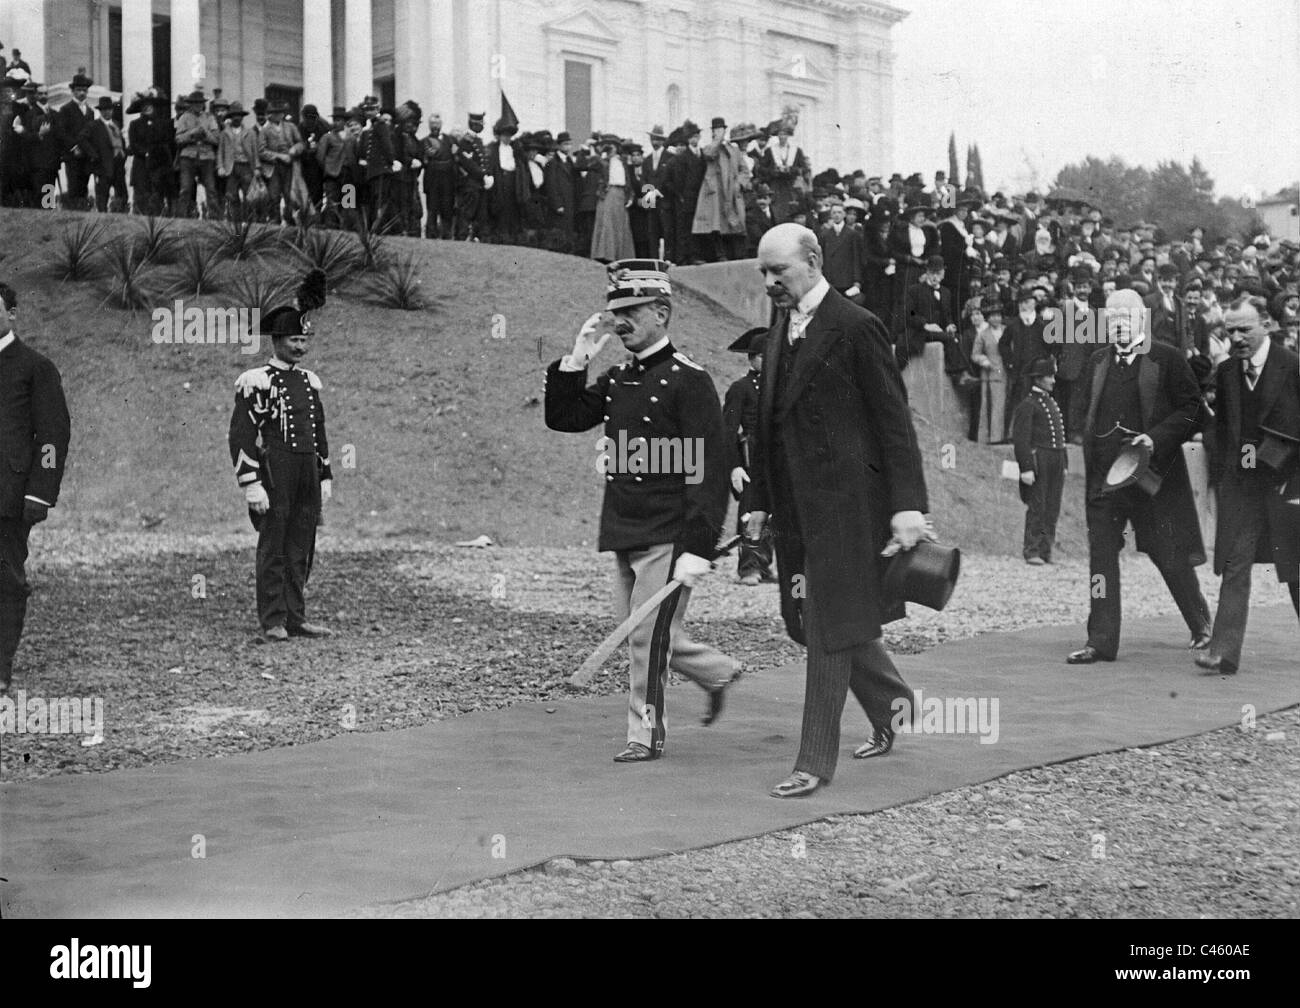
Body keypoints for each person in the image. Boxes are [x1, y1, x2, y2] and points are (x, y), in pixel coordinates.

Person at [746, 224, 931, 799]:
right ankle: (896, 707)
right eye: (764, 273)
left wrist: (906, 507)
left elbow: (894, 424)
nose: (772, 281)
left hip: (850, 511)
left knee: (827, 630)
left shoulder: (857, 327)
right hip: (797, 514)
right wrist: (755, 505)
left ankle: (814, 762)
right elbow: (765, 429)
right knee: (808, 624)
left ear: (815, 261)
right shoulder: (779, 331)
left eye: (781, 270)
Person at [544, 259, 739, 761]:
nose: (621, 320)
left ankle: (644, 734)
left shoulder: (689, 380)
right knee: (643, 630)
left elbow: (706, 472)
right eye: (616, 311)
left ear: (662, 312)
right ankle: (717, 672)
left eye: (631, 309)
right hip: (625, 525)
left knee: (644, 639)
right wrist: (578, 356)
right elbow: (564, 418)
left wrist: (699, 547)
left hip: (669, 532)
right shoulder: (616, 378)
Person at [1067, 288, 1213, 664]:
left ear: (1141, 321)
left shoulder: (1167, 358)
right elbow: (1083, 409)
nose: (1117, 326)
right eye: (1111, 320)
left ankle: (1200, 624)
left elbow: (1193, 408)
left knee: (1169, 554)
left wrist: (1156, 437)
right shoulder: (1097, 361)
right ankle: (1100, 641)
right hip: (1105, 480)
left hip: (1153, 478)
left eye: (1125, 319)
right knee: (1100, 557)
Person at [1196, 296, 1300, 674]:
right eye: (1230, 331)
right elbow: (1223, 429)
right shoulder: (1225, 373)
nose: (1237, 337)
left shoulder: (1292, 366)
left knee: (1296, 571)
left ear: (1267, 325)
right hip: (1243, 487)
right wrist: (1225, 471)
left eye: (1244, 329)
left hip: (1286, 485)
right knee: (1235, 564)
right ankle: (1223, 652)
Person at [228, 270, 334, 642]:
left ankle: (296, 616)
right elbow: (241, 434)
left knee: (302, 544)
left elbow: (319, 432)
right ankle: (273, 618)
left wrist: (325, 475)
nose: (300, 347)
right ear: (277, 341)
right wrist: (251, 483)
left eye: (304, 340)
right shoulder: (258, 380)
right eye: (294, 340)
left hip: (306, 469)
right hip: (277, 470)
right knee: (274, 543)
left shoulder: (309, 381)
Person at [0, 282, 71, 692]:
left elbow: (51, 435)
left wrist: (39, 492)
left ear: (13, 313)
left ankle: (0, 667)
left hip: (7, 500)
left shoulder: (34, 367)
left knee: (5, 581)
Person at [722, 326, 775, 586]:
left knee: (775, 513)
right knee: (751, 511)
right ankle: (748, 567)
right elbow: (727, 431)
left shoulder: (780, 387)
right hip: (750, 457)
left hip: (776, 455)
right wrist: (734, 467)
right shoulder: (740, 388)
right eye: (764, 356)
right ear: (752, 358)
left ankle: (765, 565)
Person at [1012, 357, 1068, 564]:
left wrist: (1065, 463)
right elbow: (1021, 440)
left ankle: (1046, 550)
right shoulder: (1028, 405)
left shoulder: (1050, 402)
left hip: (1056, 458)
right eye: (1049, 376)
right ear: (1038, 379)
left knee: (1052, 506)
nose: (1053, 380)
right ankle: (1032, 550)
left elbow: (1060, 436)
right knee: (1038, 505)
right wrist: (1026, 467)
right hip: (1039, 459)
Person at [589, 134, 634, 263]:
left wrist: (630, 196)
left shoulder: (623, 161)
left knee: (621, 224)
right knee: (607, 223)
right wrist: (596, 150)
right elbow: (588, 163)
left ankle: (621, 256)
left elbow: (628, 181)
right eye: (608, 146)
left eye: (613, 146)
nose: (611, 148)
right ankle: (606, 255)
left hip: (621, 194)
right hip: (608, 193)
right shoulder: (603, 162)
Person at [175, 90, 220, 218]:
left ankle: (215, 218)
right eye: (194, 103)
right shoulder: (184, 118)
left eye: (200, 103)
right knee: (185, 189)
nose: (197, 105)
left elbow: (216, 139)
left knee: (211, 189)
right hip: (188, 157)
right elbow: (178, 139)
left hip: (206, 157)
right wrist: (192, 133)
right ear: (190, 104)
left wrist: (205, 133)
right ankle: (181, 217)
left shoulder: (210, 118)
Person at [54, 70, 96, 210]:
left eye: (84, 90)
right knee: (74, 185)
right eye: (78, 90)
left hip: (86, 155)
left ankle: (82, 212)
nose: (82, 93)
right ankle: (73, 212)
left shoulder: (90, 111)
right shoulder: (65, 109)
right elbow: (61, 133)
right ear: (73, 91)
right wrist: (73, 147)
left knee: (84, 185)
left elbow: (90, 134)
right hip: (72, 156)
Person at [258, 99, 303, 225]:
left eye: (280, 112)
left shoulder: (291, 127)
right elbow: (261, 151)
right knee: (274, 195)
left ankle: (290, 220)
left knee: (290, 194)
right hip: (273, 168)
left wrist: (294, 149)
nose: (278, 115)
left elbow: (300, 143)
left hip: (290, 166)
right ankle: (274, 220)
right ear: (269, 115)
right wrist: (279, 156)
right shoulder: (264, 130)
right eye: (274, 113)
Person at [970, 298, 1009, 443]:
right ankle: (994, 437)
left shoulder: (1007, 330)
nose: (996, 318)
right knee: (994, 405)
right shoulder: (983, 334)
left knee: (1006, 404)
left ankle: (1007, 435)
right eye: (992, 315)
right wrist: (983, 360)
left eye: (998, 315)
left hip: (1007, 371)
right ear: (988, 317)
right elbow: (975, 354)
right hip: (991, 373)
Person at [819, 196, 866, 304]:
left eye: (839, 212)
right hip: (830, 278)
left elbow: (856, 258)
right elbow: (822, 258)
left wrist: (857, 280)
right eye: (834, 212)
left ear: (844, 214)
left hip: (847, 278)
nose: (836, 215)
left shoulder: (852, 234)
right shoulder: (825, 235)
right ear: (830, 215)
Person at [85, 96, 127, 212]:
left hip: (118, 163)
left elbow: (121, 141)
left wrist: (125, 153)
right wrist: (93, 154)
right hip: (103, 164)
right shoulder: (94, 125)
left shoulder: (116, 124)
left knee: (122, 194)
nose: (107, 112)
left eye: (109, 109)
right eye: (104, 109)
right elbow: (82, 139)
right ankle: (102, 218)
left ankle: (120, 216)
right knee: (103, 195)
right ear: (100, 111)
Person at [421, 112, 457, 239]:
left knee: (447, 208)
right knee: (432, 208)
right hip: (432, 179)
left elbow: (455, 157)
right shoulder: (425, 141)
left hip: (448, 179)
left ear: (441, 124)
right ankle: (431, 234)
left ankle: (447, 234)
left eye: (437, 124)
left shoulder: (450, 140)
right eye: (432, 124)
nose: (435, 126)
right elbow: (428, 157)